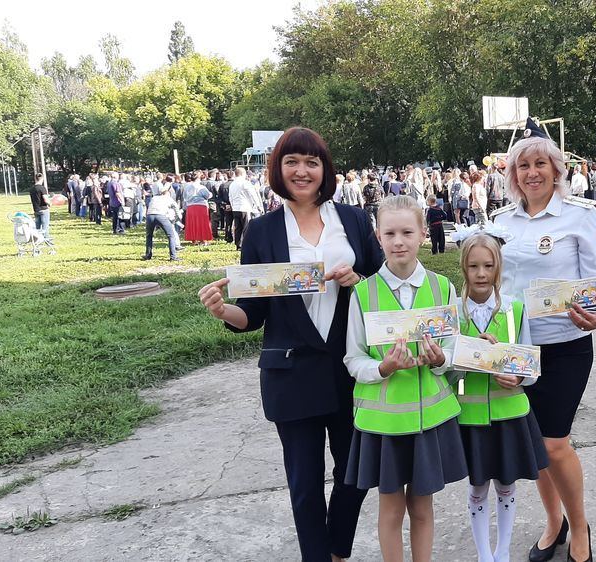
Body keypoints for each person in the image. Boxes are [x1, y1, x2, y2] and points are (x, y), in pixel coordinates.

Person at [198, 127, 382, 561]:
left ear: (325, 169)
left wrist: (358, 280)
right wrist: (224, 311)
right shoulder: (261, 231)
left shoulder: (353, 221)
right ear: (278, 169)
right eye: (292, 162)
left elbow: (382, 286)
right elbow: (252, 313)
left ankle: (336, 549)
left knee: (356, 473)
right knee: (304, 484)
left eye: (311, 162)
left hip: (349, 370)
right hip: (292, 373)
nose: (302, 171)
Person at [493, 118, 596, 562]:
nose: (532, 173)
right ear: (513, 174)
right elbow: (491, 283)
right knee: (533, 445)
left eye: (540, 163)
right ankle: (553, 522)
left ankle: (579, 529)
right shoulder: (499, 221)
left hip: (566, 345)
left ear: (556, 169)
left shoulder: (581, 215)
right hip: (517, 348)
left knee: (554, 443)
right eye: (523, 166)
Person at [344, 195, 467, 562]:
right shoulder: (363, 293)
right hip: (384, 425)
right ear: (378, 237)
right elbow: (353, 358)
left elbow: (455, 351)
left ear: (423, 234)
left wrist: (441, 358)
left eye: (407, 232)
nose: (399, 241)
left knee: (423, 507)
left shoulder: (442, 287)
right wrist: (382, 368)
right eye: (390, 233)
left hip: (430, 421)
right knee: (391, 509)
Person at [447, 228, 548, 562]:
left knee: (506, 486)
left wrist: (518, 376)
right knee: (477, 488)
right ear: (463, 267)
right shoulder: (453, 314)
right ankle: (484, 555)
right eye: (473, 266)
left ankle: (502, 552)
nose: (481, 273)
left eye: (488, 266)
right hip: (471, 417)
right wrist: (468, 357)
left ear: (498, 268)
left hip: (510, 414)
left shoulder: (515, 309)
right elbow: (446, 372)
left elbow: (530, 367)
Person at [142, 180, 181, 261]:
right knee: (171, 236)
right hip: (161, 216)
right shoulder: (169, 199)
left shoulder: (154, 198)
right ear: (168, 193)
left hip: (150, 216)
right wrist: (176, 219)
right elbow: (177, 210)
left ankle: (148, 255)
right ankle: (173, 256)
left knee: (149, 236)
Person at [229, 167, 261, 249]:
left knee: (238, 227)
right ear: (243, 174)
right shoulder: (245, 183)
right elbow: (252, 194)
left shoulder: (232, 184)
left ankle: (238, 244)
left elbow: (230, 197)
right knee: (246, 227)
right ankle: (246, 244)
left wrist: (232, 206)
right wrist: (258, 205)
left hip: (235, 208)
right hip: (245, 207)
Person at [182, 172, 213, 245]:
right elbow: (207, 195)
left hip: (190, 206)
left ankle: (193, 240)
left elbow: (185, 197)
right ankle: (203, 240)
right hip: (201, 206)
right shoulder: (201, 187)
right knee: (202, 223)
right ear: (198, 178)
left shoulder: (187, 187)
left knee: (192, 223)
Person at [29, 173, 51, 240]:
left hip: (36, 209)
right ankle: (47, 240)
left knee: (37, 228)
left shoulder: (32, 189)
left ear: (35, 178)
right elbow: (45, 199)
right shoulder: (42, 188)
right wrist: (50, 203)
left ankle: (37, 240)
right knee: (45, 227)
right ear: (42, 179)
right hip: (43, 209)